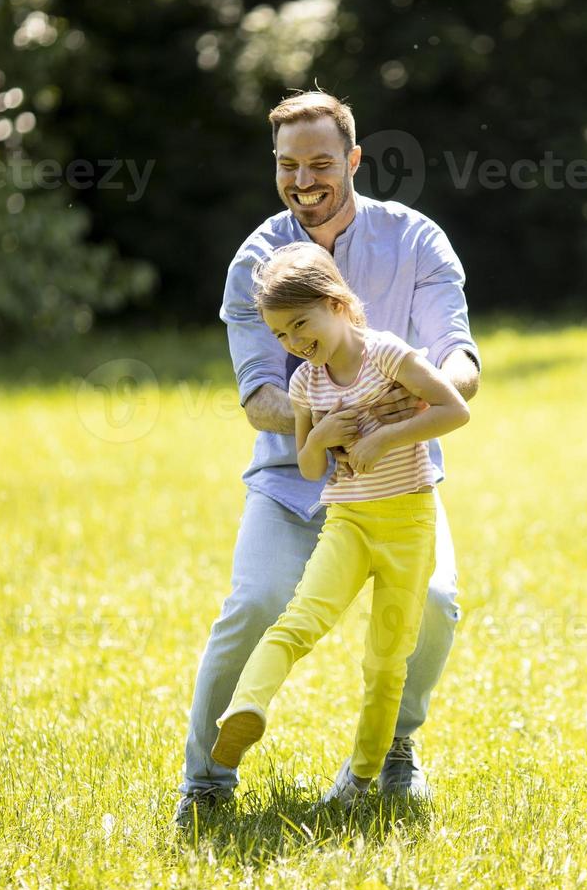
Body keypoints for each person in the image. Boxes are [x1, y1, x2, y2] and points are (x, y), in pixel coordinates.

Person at [175, 90, 481, 831]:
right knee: (255, 605)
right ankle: (207, 782)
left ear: (351, 161)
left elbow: (459, 361)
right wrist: (333, 425)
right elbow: (259, 399)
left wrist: (399, 411)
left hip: (397, 485)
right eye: (287, 166)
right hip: (294, 482)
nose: (303, 180)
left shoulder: (415, 240)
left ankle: (396, 750)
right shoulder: (257, 259)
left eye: (319, 163)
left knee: (436, 605)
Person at [209, 242, 471, 809]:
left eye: (301, 325)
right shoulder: (305, 382)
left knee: (385, 659)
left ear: (338, 303)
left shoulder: (389, 355)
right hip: (348, 521)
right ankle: (245, 709)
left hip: (407, 524)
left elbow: (456, 409)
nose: (295, 343)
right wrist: (323, 436)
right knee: (297, 619)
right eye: (281, 336)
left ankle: (360, 778)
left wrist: (382, 438)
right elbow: (308, 463)